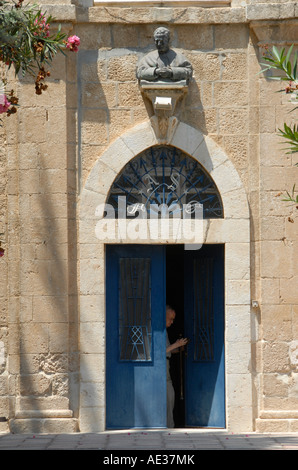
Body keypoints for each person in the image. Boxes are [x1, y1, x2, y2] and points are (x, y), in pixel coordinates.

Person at [166, 305, 188, 428]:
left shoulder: (165, 332)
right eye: (170, 319)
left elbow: (168, 351)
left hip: (167, 367)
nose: (172, 322)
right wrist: (176, 344)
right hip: (161, 369)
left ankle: (170, 425)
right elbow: (159, 351)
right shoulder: (159, 332)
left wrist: (179, 348)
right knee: (168, 397)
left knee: (170, 397)